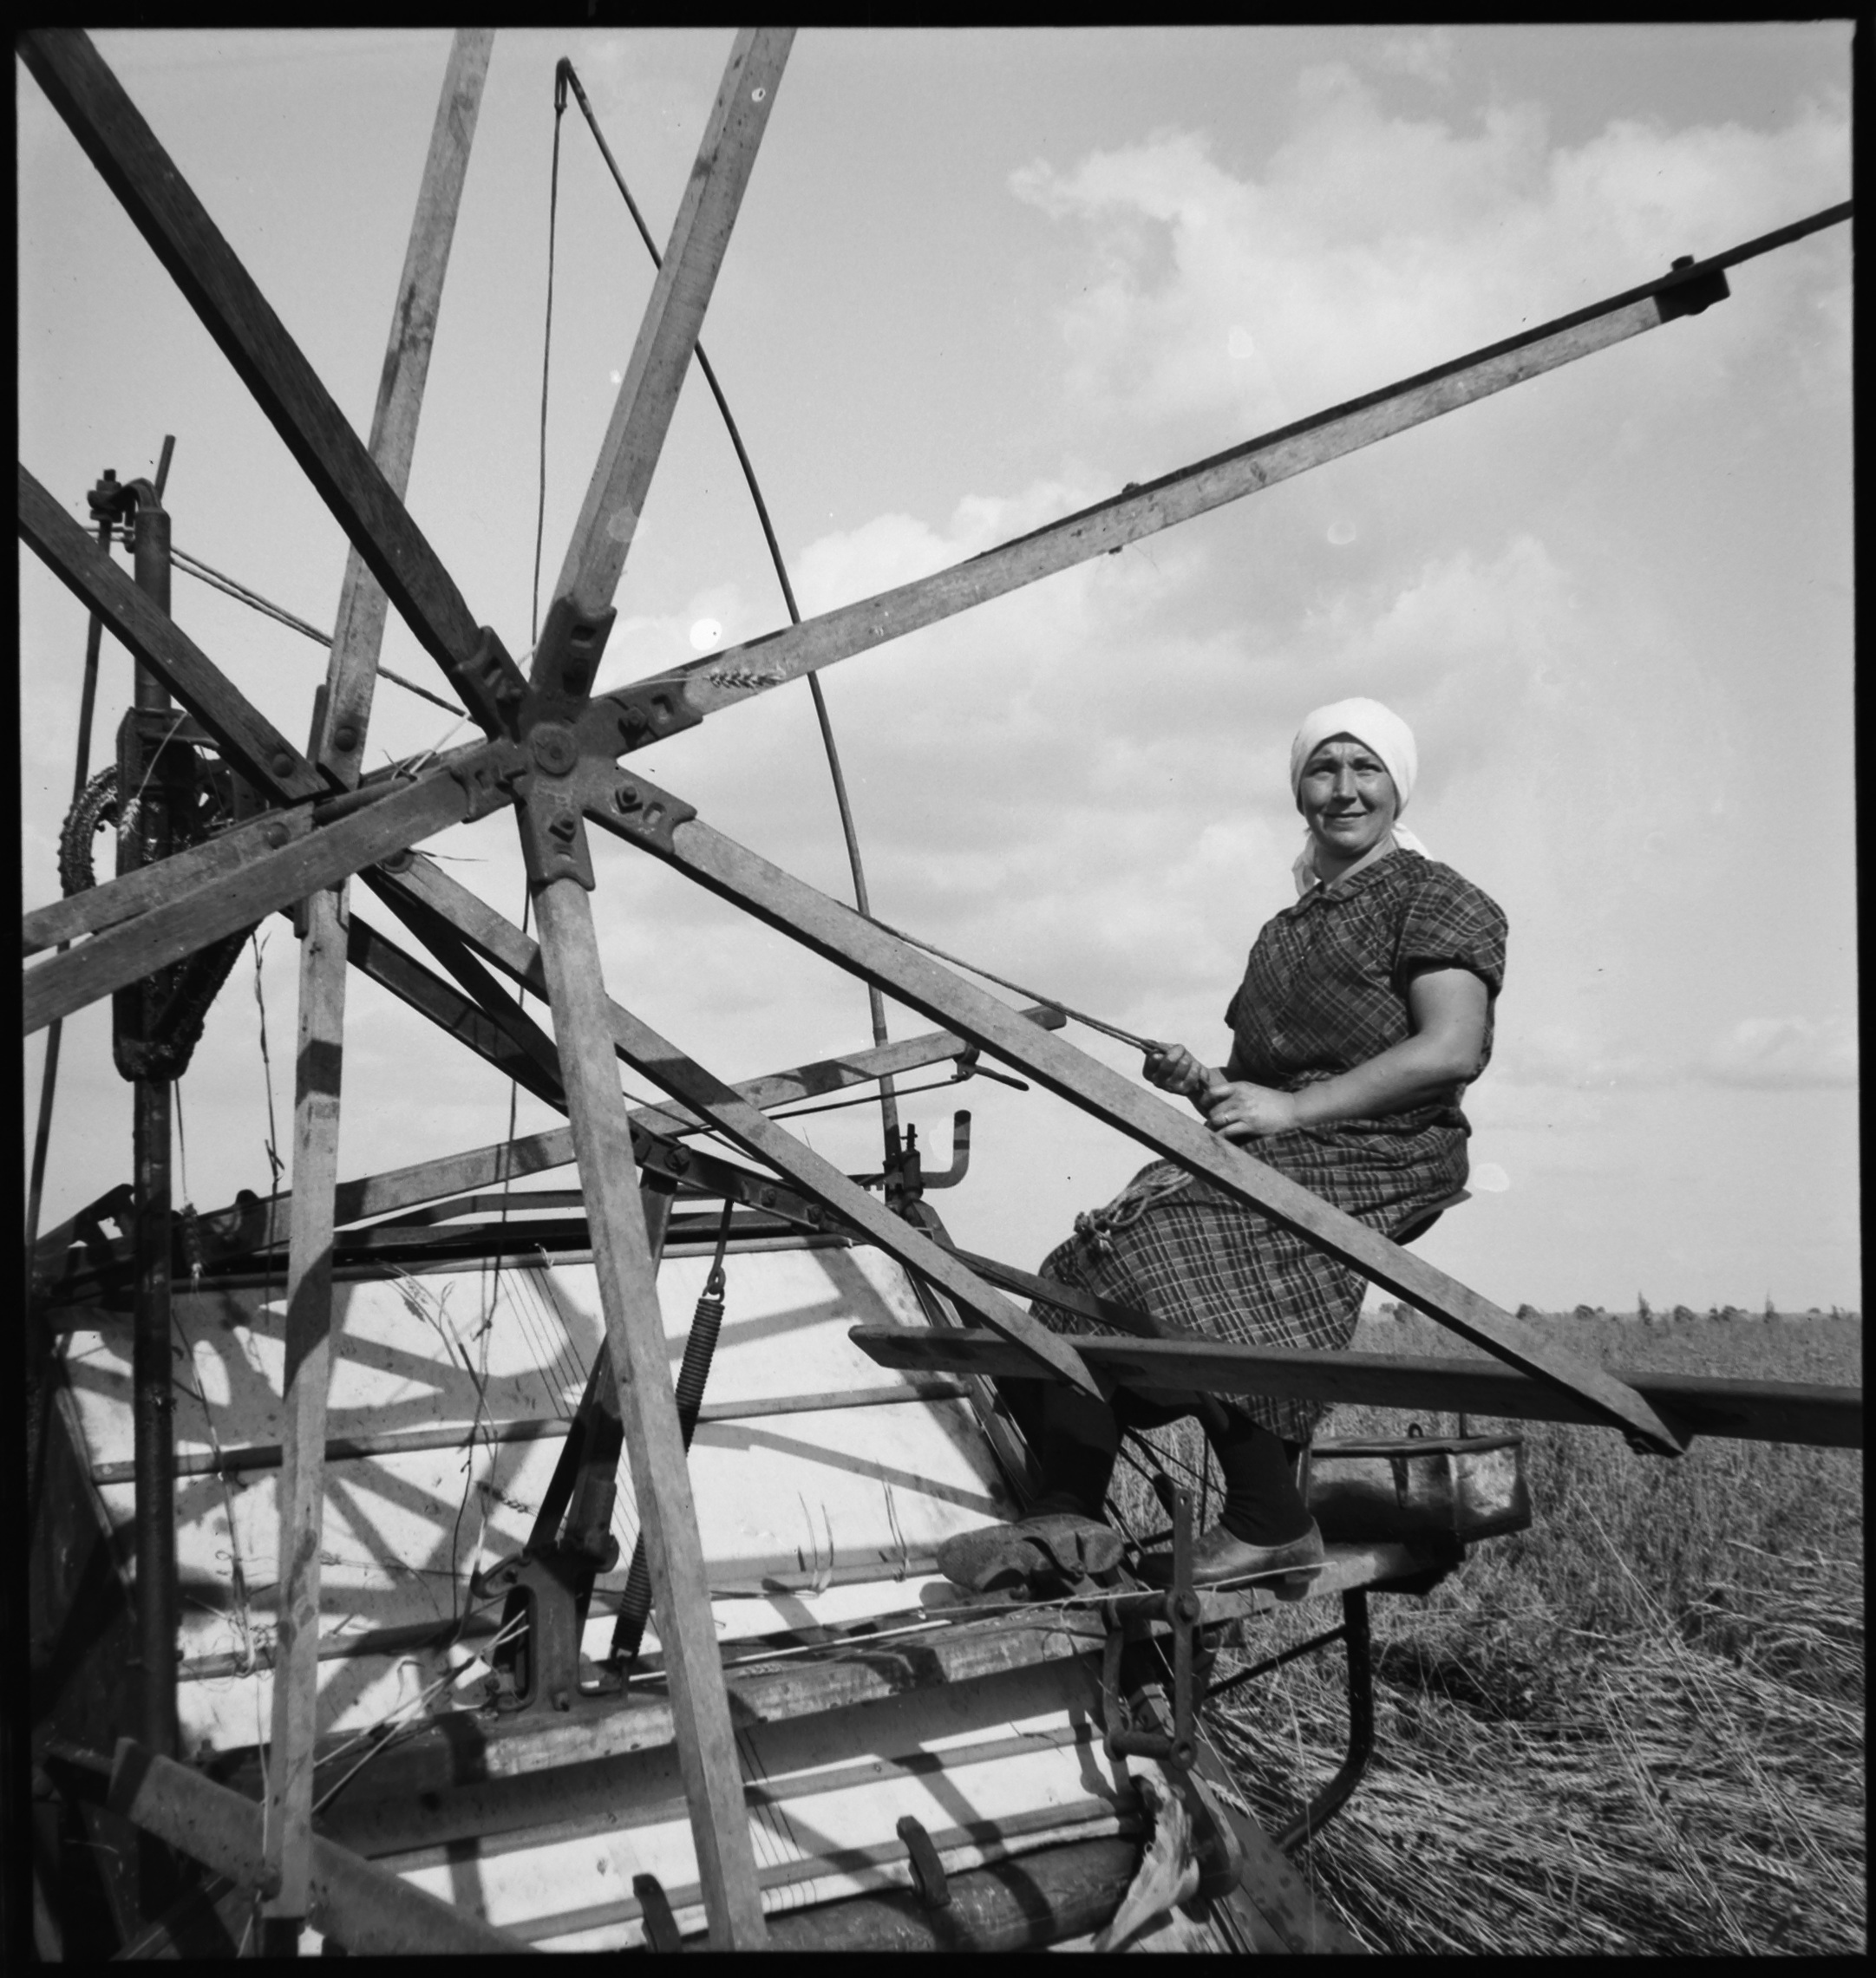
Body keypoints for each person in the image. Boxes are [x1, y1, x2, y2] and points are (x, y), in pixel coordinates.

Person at [938, 697, 1507, 1593]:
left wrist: (1293, 1109)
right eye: (1326, 769)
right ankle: (1066, 1514)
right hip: (1297, 1139)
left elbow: (1450, 1048)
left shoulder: (1438, 900)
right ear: (1299, 790)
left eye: (1368, 770)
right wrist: (1204, 1082)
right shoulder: (1284, 933)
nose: (1346, 789)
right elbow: (1257, 1092)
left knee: (1180, 1253)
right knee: (1089, 1259)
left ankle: (1269, 1522)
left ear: (1399, 786)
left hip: (1392, 1145)